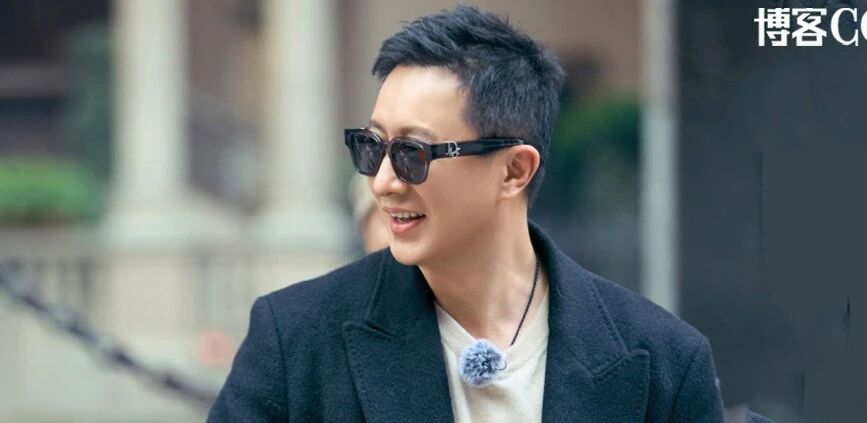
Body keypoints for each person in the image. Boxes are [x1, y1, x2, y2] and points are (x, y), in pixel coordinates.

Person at [208, 5, 725, 422]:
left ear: (514, 171)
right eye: (372, 147)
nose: (382, 182)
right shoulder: (294, 339)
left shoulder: (664, 362)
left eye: (412, 154)